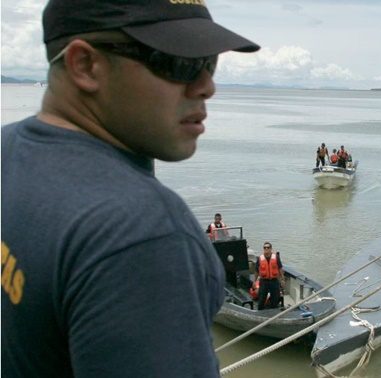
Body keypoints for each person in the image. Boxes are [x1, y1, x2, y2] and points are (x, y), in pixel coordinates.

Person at [1, 1, 260, 376]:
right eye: (180, 63)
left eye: (210, 63)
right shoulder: (143, 234)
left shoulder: (8, 151)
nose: (207, 87)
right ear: (85, 65)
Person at [255, 242, 285, 310]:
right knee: (262, 298)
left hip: (274, 281)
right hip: (264, 281)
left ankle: (273, 309)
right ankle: (260, 310)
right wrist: (254, 281)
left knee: (275, 298)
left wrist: (282, 279)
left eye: (268, 247)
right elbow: (256, 271)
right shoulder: (260, 258)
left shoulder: (276, 257)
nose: (266, 249)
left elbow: (280, 269)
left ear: (271, 249)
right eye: (264, 247)